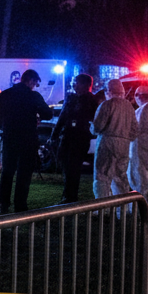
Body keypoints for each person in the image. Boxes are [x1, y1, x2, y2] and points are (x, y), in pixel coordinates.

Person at [0, 68, 54, 214]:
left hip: (9, 137)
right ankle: (20, 205)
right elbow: (48, 114)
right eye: (35, 84)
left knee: (7, 171)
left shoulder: (5, 94)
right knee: (24, 173)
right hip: (27, 138)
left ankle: (4, 204)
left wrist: (7, 121)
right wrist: (36, 116)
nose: (34, 87)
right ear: (30, 80)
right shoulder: (33, 96)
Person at [50, 73, 96, 202]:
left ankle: (71, 196)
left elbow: (94, 120)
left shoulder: (91, 100)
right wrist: (54, 135)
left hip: (80, 138)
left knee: (74, 168)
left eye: (77, 82)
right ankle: (66, 194)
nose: (74, 84)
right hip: (67, 136)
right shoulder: (71, 98)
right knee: (66, 166)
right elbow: (63, 117)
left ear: (85, 85)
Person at [92, 79, 138, 199]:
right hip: (124, 145)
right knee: (121, 176)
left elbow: (98, 126)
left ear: (109, 91)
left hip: (107, 142)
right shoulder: (129, 107)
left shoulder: (107, 105)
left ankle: (102, 208)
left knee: (102, 176)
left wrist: (91, 127)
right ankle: (122, 209)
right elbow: (134, 129)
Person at [128, 85, 148, 200]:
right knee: (147, 168)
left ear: (140, 96)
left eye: (136, 95)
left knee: (138, 169)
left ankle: (140, 197)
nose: (135, 98)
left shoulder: (143, 110)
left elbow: (137, 127)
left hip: (139, 142)